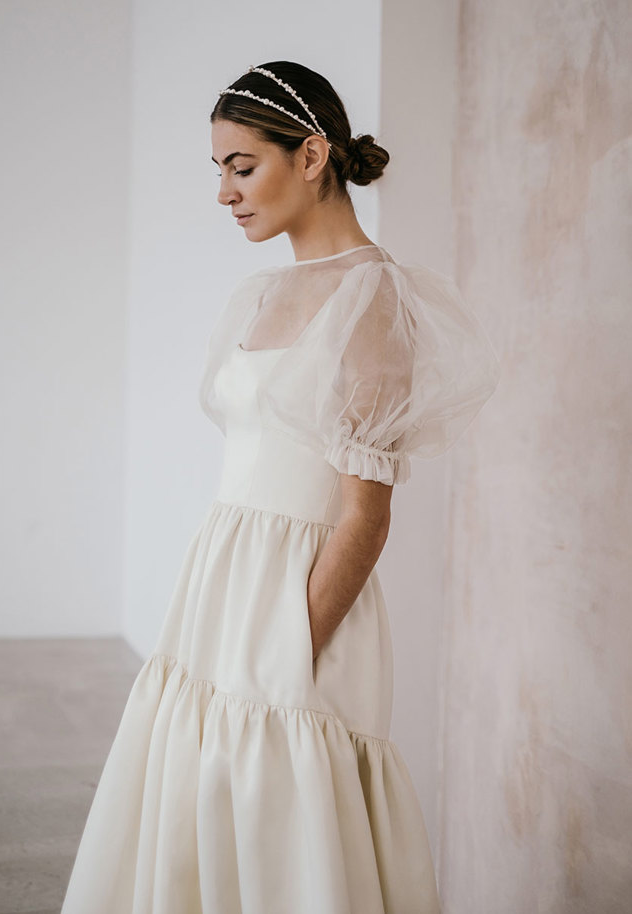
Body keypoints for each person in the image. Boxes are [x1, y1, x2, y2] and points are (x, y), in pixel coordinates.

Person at [60, 60, 500, 914]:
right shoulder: (261, 292)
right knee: (201, 796)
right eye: (217, 170)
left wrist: (289, 641)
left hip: (299, 602)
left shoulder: (372, 297)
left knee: (280, 809)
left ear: (310, 157)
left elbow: (365, 517)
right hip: (223, 583)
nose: (225, 193)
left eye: (242, 166)